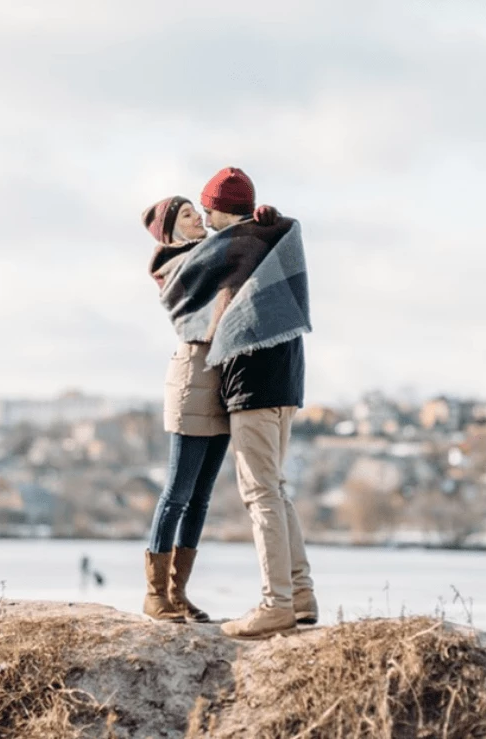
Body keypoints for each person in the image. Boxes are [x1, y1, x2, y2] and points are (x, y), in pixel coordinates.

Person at [198, 167, 318, 639]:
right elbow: (282, 226)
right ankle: (301, 597)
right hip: (285, 382)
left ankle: (276, 604)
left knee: (260, 494)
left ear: (223, 210)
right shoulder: (269, 242)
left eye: (207, 211)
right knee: (276, 490)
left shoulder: (238, 249)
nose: (204, 221)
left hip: (255, 383)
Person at [140, 196, 230, 623]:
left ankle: (178, 593)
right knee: (176, 494)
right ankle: (154, 593)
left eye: (199, 212)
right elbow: (203, 312)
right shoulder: (172, 267)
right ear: (172, 230)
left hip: (221, 385)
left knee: (201, 499)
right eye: (189, 215)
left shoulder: (213, 253)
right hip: (192, 383)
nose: (199, 219)